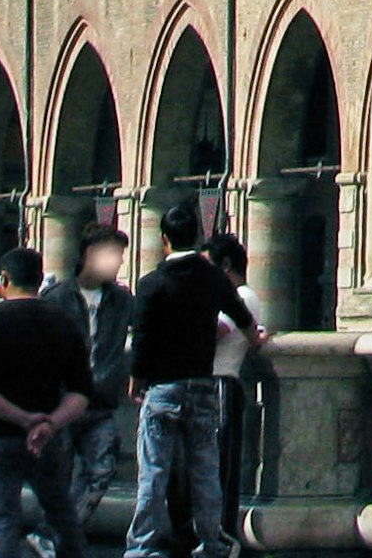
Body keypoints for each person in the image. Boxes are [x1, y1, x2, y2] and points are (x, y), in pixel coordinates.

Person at [123, 204, 263, 558]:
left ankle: (143, 546)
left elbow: (142, 339)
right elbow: (242, 316)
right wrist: (257, 339)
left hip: (164, 388)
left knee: (154, 470)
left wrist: (135, 381)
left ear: (164, 240)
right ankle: (212, 542)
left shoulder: (151, 283)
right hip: (203, 386)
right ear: (196, 236)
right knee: (205, 472)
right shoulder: (213, 277)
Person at [0, 248, 92, 558]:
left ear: (4, 279)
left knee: (3, 523)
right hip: (49, 441)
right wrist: (49, 424)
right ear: (39, 281)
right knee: (63, 517)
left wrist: (23, 420)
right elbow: (82, 391)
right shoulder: (64, 322)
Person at [37, 226, 136, 529]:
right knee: (58, 475)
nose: (119, 262)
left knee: (102, 469)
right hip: (62, 403)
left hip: (101, 402)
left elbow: (148, 332)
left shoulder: (122, 300)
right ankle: (58, 537)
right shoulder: (56, 299)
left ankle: (56, 534)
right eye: (114, 256)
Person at [203, 232, 260, 534]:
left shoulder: (244, 297)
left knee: (220, 465)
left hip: (222, 385)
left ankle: (221, 534)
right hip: (212, 386)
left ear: (225, 266)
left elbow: (216, 332)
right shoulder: (228, 299)